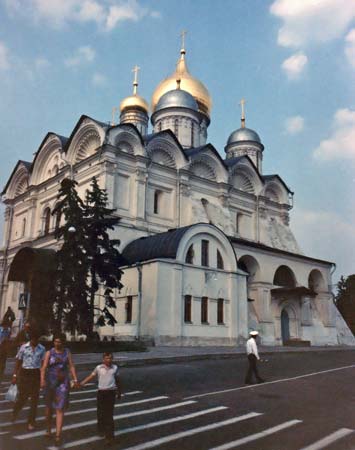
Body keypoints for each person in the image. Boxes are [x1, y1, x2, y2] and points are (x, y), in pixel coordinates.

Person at [40, 333, 78, 445]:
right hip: (50, 383)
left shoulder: (67, 352)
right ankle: (48, 429)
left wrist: (75, 379)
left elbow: (71, 366)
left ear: (63, 342)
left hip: (62, 384)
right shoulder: (49, 353)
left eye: (60, 341)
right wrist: (42, 380)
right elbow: (43, 367)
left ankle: (58, 435)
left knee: (60, 408)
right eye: (56, 341)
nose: (57, 343)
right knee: (48, 409)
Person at [80, 352, 121, 445]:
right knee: (100, 413)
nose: (109, 360)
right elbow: (91, 376)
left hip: (111, 393)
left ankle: (109, 436)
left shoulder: (115, 368)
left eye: (110, 358)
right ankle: (101, 429)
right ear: (103, 359)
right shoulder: (99, 368)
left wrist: (119, 392)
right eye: (106, 358)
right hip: (101, 393)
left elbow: (118, 380)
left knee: (109, 415)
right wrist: (82, 383)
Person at [11, 330, 46, 430]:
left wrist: (43, 377)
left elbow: (43, 363)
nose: (35, 341)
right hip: (25, 373)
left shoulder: (42, 348)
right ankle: (15, 411)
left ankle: (31, 422)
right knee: (23, 397)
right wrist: (14, 375)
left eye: (36, 339)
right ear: (30, 339)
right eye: (33, 339)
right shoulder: (23, 348)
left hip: (35, 374)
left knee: (35, 400)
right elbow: (18, 361)